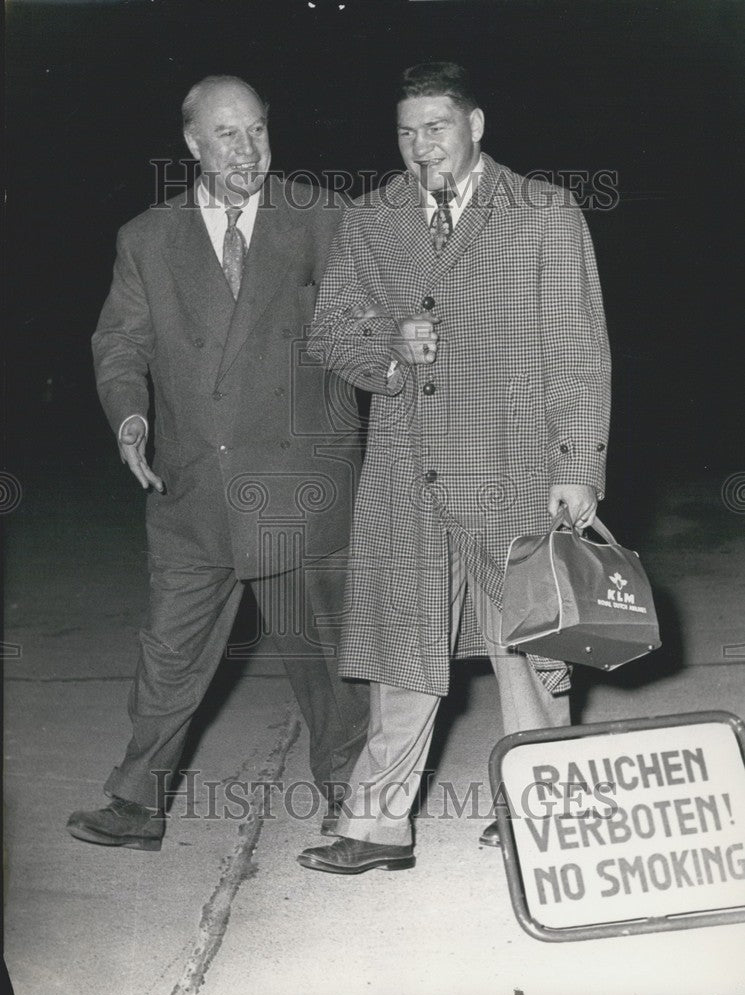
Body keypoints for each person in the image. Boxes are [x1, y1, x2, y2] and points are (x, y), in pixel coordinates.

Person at [298, 62, 611, 874]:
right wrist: (388, 348)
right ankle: (376, 830)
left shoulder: (543, 212)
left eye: (435, 127)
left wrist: (577, 463)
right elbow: (329, 330)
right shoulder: (372, 220)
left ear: (476, 125)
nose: (419, 145)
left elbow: (578, 352)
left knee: (527, 650)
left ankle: (542, 812)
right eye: (405, 131)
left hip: (513, 467)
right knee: (401, 650)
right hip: (407, 471)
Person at [67, 75, 369, 851]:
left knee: (325, 659)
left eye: (259, 131)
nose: (249, 150)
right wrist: (131, 420)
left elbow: (362, 329)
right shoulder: (145, 239)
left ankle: (350, 798)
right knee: (169, 651)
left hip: (298, 482)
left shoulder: (320, 216)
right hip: (192, 485)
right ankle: (138, 803)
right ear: (194, 145)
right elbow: (121, 344)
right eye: (228, 136)